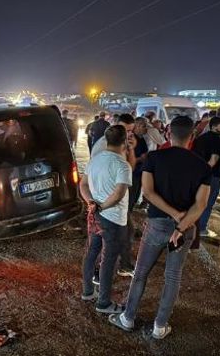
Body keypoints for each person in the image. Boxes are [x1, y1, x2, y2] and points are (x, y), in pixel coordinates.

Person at [108, 116, 211, 339]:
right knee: (172, 277)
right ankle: (160, 326)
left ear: (168, 134)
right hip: (183, 230)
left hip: (156, 225)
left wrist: (172, 214)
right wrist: (181, 225)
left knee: (141, 273)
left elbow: (147, 192)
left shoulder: (154, 158)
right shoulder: (202, 166)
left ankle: (127, 317)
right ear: (192, 136)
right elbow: (200, 205)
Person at [80, 125, 132, 314]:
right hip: (113, 219)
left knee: (92, 252)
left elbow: (83, 184)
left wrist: (91, 202)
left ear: (106, 140)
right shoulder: (122, 165)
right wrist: (101, 206)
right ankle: (104, 303)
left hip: (95, 216)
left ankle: (87, 291)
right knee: (109, 260)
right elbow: (119, 194)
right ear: (124, 141)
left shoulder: (95, 160)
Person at [90, 114, 137, 277]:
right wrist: (97, 204)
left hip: (112, 205)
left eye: (131, 130)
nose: (129, 134)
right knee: (105, 242)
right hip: (106, 204)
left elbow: (129, 168)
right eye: (125, 130)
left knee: (126, 232)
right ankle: (99, 275)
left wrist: (131, 149)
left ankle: (123, 265)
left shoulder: (123, 146)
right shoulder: (103, 147)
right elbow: (91, 177)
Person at [192, 117, 220, 237]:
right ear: (213, 127)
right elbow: (214, 159)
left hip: (197, 174)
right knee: (208, 202)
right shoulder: (217, 140)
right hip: (211, 176)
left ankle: (193, 224)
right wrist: (206, 173)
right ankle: (201, 228)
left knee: (197, 201)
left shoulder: (200, 138)